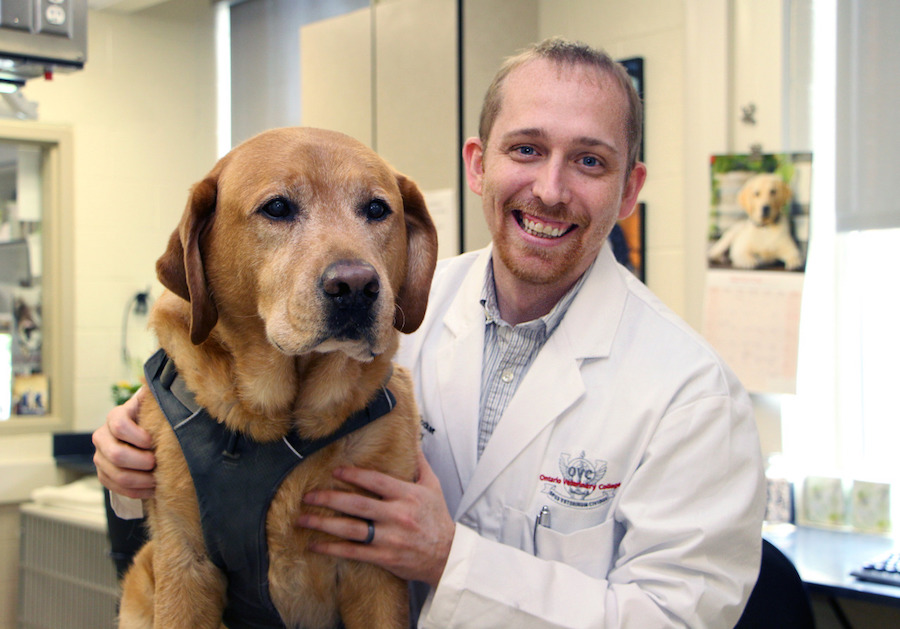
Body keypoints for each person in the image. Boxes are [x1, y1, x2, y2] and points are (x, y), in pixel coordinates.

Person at [93, 37, 765, 628]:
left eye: (589, 161)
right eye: (526, 149)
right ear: (479, 165)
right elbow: (238, 474)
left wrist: (450, 559)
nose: (551, 188)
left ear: (628, 190)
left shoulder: (693, 395)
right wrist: (129, 462)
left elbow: (674, 619)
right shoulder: (392, 315)